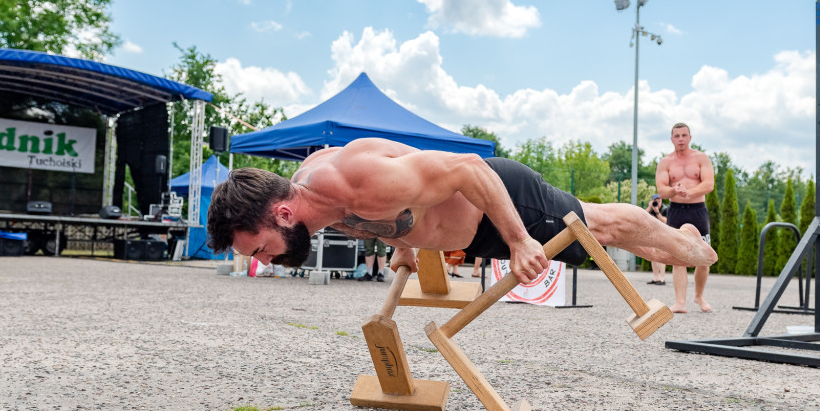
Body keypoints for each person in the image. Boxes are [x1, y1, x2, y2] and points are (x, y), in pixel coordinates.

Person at [206, 138, 717, 286]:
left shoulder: (357, 178)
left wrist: (518, 239)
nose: (265, 261)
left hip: (497, 201)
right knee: (595, 245)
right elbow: (393, 219)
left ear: (282, 214)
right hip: (474, 237)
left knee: (596, 224)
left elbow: (469, 168)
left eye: (260, 250)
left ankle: (689, 247)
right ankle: (681, 240)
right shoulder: (316, 204)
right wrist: (405, 249)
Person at [656, 122, 715, 313]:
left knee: (704, 256)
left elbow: (709, 184)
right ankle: (680, 302)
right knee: (677, 256)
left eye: (684, 135)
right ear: (671, 138)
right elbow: (662, 190)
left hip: (697, 209)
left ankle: (698, 296)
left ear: (690, 137)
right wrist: (675, 190)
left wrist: (689, 192)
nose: (680, 139)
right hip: (676, 210)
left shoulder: (701, 158)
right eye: (676, 135)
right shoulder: (666, 162)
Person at [645, 194, 668, 285]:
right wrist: (649, 207)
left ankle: (662, 278)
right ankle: (656, 278)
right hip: (653, 234)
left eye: (659, 200)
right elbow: (641, 217)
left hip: (663, 233)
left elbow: (665, 221)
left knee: (661, 255)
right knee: (653, 255)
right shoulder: (651, 209)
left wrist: (657, 212)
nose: (657, 202)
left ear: (661, 201)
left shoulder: (665, 209)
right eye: (655, 200)